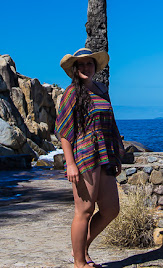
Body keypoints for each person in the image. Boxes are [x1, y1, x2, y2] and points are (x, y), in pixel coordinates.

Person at [55, 48, 124, 268]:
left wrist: (118, 151)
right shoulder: (72, 93)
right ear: (75, 69)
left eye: (89, 64)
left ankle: (82, 248)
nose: (86, 68)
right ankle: (79, 262)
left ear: (95, 67)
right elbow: (64, 131)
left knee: (111, 209)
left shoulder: (102, 90)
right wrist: (70, 163)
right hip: (84, 155)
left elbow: (110, 123)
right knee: (84, 210)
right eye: (81, 65)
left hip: (105, 155)